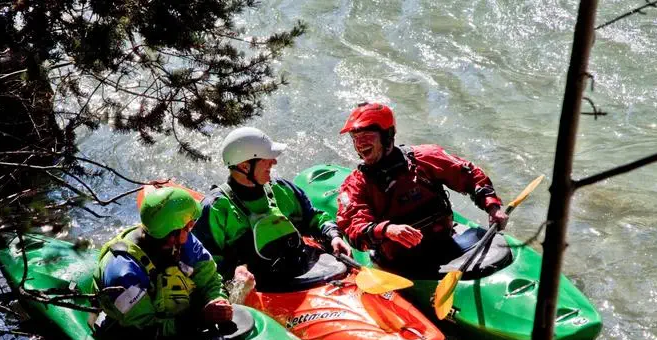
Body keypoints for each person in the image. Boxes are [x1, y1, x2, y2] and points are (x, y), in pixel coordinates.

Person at [336, 102, 509, 277]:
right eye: (355, 138)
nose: (359, 143)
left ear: (387, 135)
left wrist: (492, 206)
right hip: (402, 261)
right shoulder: (356, 185)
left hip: (446, 241)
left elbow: (469, 174)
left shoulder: (424, 158)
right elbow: (354, 229)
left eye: (366, 135)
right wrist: (387, 230)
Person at [193, 126, 351, 289]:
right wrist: (232, 274)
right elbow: (202, 263)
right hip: (260, 286)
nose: (274, 162)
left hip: (302, 269)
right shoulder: (215, 208)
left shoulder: (282, 188)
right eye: (267, 158)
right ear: (245, 166)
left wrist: (333, 235)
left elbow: (313, 217)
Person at [92, 186, 233, 340]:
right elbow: (146, 329)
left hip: (177, 319)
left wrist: (217, 300)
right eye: (189, 225)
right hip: (136, 336)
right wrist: (200, 319)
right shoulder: (123, 274)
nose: (191, 229)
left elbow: (211, 279)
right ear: (173, 234)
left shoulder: (183, 240)